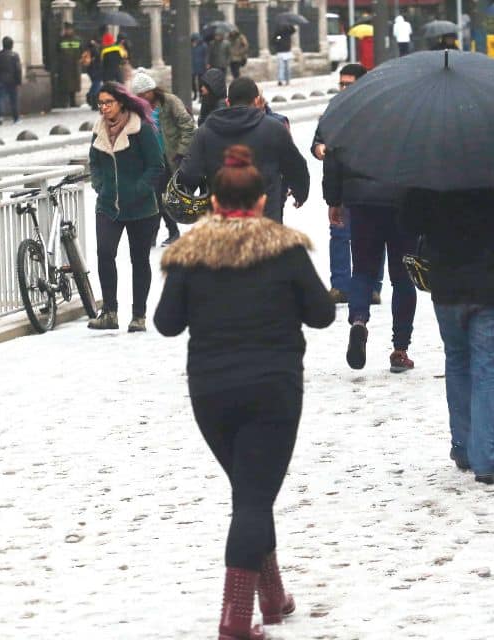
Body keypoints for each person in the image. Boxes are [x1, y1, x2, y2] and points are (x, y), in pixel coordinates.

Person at [155, 145, 334, 640]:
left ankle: (271, 595)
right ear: (260, 202)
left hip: (210, 392)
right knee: (254, 497)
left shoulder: (190, 253)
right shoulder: (285, 249)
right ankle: (235, 620)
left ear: (213, 203)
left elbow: (167, 323)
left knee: (250, 490)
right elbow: (322, 314)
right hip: (274, 389)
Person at [399, 179, 494, 484]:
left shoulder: (433, 168)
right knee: (486, 369)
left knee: (457, 361)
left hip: (448, 283)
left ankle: (463, 446)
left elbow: (409, 221)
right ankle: (485, 459)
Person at [321, 64, 412, 372]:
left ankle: (359, 321)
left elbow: (333, 157)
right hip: (402, 204)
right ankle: (400, 349)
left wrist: (334, 200)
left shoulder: (349, 116)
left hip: (362, 203)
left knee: (362, 269)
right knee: (402, 277)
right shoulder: (407, 116)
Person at [87, 82, 166, 333]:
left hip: (141, 208)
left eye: (108, 102)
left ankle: (138, 315)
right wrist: (100, 185)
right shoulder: (99, 130)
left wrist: (138, 189)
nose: (104, 108)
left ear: (120, 103)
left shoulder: (140, 129)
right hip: (108, 205)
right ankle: (109, 312)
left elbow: (156, 165)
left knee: (139, 259)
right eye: (100, 103)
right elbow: (94, 163)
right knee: (104, 253)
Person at [179, 77, 309, 224]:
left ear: (228, 102)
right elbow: (296, 166)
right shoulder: (274, 129)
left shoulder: (205, 132)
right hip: (265, 218)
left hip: (222, 220)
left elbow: (188, 173)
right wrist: (300, 192)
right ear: (256, 101)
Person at [310, 64, 383, 306]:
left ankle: (372, 287)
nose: (343, 89)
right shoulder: (334, 109)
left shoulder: (377, 110)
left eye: (348, 84)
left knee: (373, 236)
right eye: (341, 84)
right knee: (339, 234)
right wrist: (319, 148)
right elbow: (318, 139)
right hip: (341, 184)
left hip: (370, 184)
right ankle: (340, 285)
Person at [131, 69, 196, 247]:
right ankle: (159, 233)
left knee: (161, 197)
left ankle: (168, 232)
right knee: (154, 196)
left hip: (169, 158)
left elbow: (188, 126)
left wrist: (181, 152)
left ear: (152, 90)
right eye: (139, 96)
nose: (143, 99)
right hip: (150, 160)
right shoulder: (138, 109)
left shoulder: (170, 102)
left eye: (144, 94)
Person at [0, 36, 22, 125]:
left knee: (1, 98)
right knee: (14, 100)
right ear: (11, 45)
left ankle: (0, 116)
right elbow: (18, 69)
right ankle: (16, 118)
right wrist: (19, 81)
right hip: (13, 81)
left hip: (1, 80)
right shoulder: (14, 55)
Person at [57, 23, 83, 108]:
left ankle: (73, 102)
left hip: (75, 65)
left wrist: (80, 59)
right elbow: (57, 51)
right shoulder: (61, 40)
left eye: (69, 29)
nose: (68, 31)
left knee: (74, 85)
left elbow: (82, 51)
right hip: (64, 65)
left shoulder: (77, 39)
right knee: (65, 85)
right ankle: (65, 102)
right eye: (66, 29)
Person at [191, 34, 209, 100]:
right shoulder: (190, 46)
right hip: (192, 65)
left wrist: (207, 63)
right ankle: (195, 94)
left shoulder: (203, 46)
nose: (194, 42)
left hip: (201, 65)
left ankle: (201, 96)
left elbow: (206, 55)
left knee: (200, 82)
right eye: (193, 41)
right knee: (192, 81)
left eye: (195, 40)